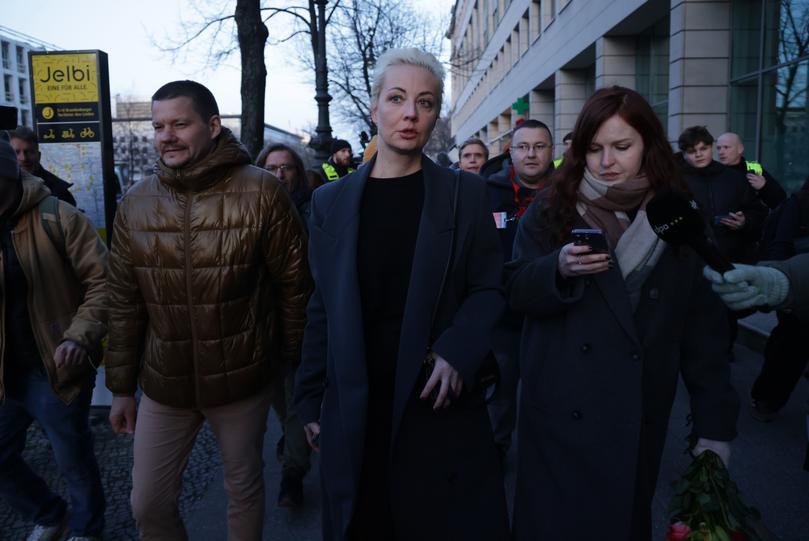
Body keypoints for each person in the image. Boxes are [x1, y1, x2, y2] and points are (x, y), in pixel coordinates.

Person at [505, 86, 739, 541]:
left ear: (648, 145)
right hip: (559, 408)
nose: (606, 161)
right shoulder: (550, 207)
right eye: (594, 149)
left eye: (621, 147)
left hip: (636, 409)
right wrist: (557, 268)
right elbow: (513, 288)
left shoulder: (679, 215)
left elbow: (702, 329)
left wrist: (714, 426)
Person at [295, 48, 509, 541]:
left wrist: (459, 351)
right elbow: (322, 305)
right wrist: (309, 401)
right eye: (397, 98)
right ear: (375, 109)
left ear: (436, 115)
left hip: (435, 402)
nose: (410, 113)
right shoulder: (329, 201)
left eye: (426, 102)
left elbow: (488, 286)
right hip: (356, 402)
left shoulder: (465, 194)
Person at [105, 80, 312, 540]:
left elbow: (295, 288)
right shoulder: (136, 203)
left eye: (180, 123)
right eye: (158, 126)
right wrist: (120, 388)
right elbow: (123, 302)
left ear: (213, 126)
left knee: (243, 488)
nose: (166, 136)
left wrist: (289, 363)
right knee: (148, 503)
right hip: (165, 384)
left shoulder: (262, 192)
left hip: (243, 378)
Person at [0, 133, 107, 541]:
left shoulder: (57, 216)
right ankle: (48, 513)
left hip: (54, 365)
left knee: (72, 458)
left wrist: (79, 337)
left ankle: (86, 528)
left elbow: (104, 282)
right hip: (4, 372)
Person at [485, 118, 555, 458]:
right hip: (502, 318)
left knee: (550, 397)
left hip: (552, 316)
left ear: (551, 152)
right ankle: (495, 453)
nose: (531, 154)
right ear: (510, 152)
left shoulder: (568, 194)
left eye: (539, 147)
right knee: (499, 396)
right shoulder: (487, 193)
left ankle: (547, 456)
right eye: (523, 147)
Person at [255, 142, 312, 507]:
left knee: (294, 402)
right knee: (280, 399)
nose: (279, 174)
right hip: (262, 326)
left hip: (304, 323)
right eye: (272, 167)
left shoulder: (313, 209)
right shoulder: (250, 211)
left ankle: (293, 472)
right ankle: (294, 445)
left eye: (286, 167)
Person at [716, 132, 786, 210]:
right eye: (718, 148)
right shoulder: (715, 171)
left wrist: (764, 187)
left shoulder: (754, 168)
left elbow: (780, 201)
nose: (721, 152)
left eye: (726, 147)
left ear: (740, 149)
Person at [8, 126, 77, 206]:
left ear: (39, 156)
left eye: (29, 152)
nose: (23, 158)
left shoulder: (59, 191)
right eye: (16, 152)